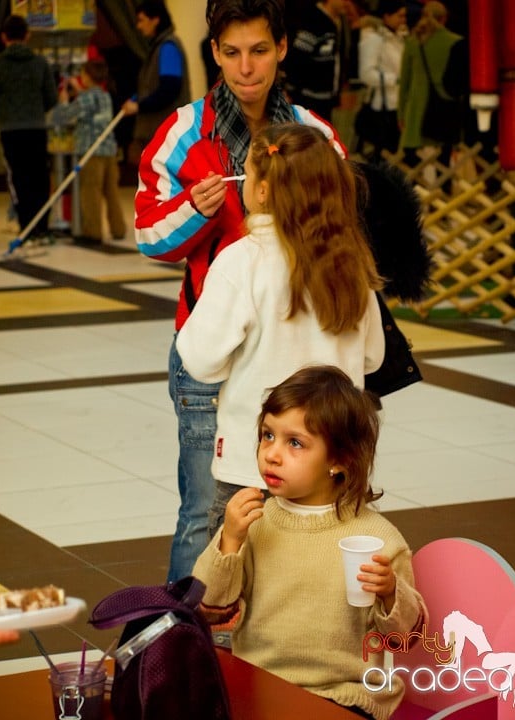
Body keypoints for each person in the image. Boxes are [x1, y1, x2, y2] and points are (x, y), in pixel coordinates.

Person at [134, 0, 345, 584]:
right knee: (206, 514)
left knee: (302, 511)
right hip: (211, 358)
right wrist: (193, 212)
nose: (245, 68)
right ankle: (182, 649)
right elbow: (149, 236)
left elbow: (344, 228)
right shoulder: (182, 132)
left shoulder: (315, 134)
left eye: (258, 51)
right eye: (231, 53)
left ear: (281, 49)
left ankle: (271, 645)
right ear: (214, 54)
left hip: (297, 356)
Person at [177, 122, 385, 535]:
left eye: (248, 175)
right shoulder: (351, 262)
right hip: (331, 465)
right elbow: (373, 356)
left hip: (255, 468)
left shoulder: (243, 261)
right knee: (320, 580)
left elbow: (200, 359)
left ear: (264, 191)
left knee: (243, 584)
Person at [193, 365, 427, 720]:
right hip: (260, 685)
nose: (271, 453)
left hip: (343, 696)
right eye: (267, 435)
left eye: (295, 443)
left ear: (339, 460)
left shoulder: (378, 539)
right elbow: (209, 607)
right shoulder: (257, 523)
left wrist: (391, 592)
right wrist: (229, 541)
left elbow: (405, 638)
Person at [0, 14, 57, 242]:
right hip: (36, 127)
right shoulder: (40, 63)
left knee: (18, 179)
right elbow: (51, 98)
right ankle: (42, 226)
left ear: (4, 37)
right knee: (40, 177)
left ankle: (26, 226)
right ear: (28, 36)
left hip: (10, 130)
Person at [54, 60, 126, 246]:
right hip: (109, 150)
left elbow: (66, 116)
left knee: (90, 192)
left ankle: (92, 232)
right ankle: (118, 229)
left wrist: (63, 102)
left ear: (87, 76)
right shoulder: (105, 96)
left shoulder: (84, 98)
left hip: (90, 151)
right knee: (111, 191)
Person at [398, 1, 466, 168]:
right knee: (444, 162)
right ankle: (444, 192)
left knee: (414, 163)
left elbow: (404, 82)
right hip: (447, 109)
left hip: (417, 111)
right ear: (444, 19)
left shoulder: (413, 42)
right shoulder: (456, 41)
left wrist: (401, 114)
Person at [122, 1, 190, 162]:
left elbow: (169, 89)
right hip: (159, 132)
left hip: (164, 133)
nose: (138, 26)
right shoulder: (158, 48)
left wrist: (139, 106)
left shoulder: (168, 48)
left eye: (141, 20)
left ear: (155, 20)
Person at [356, 0, 407, 159]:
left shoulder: (399, 39)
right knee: (383, 154)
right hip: (382, 106)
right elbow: (366, 73)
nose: (403, 20)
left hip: (399, 104)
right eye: (400, 16)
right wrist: (396, 80)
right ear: (387, 16)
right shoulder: (374, 40)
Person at [284, 0, 349, 122]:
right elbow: (297, 59)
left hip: (326, 98)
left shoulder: (337, 22)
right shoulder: (313, 21)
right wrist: (291, 90)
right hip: (309, 98)